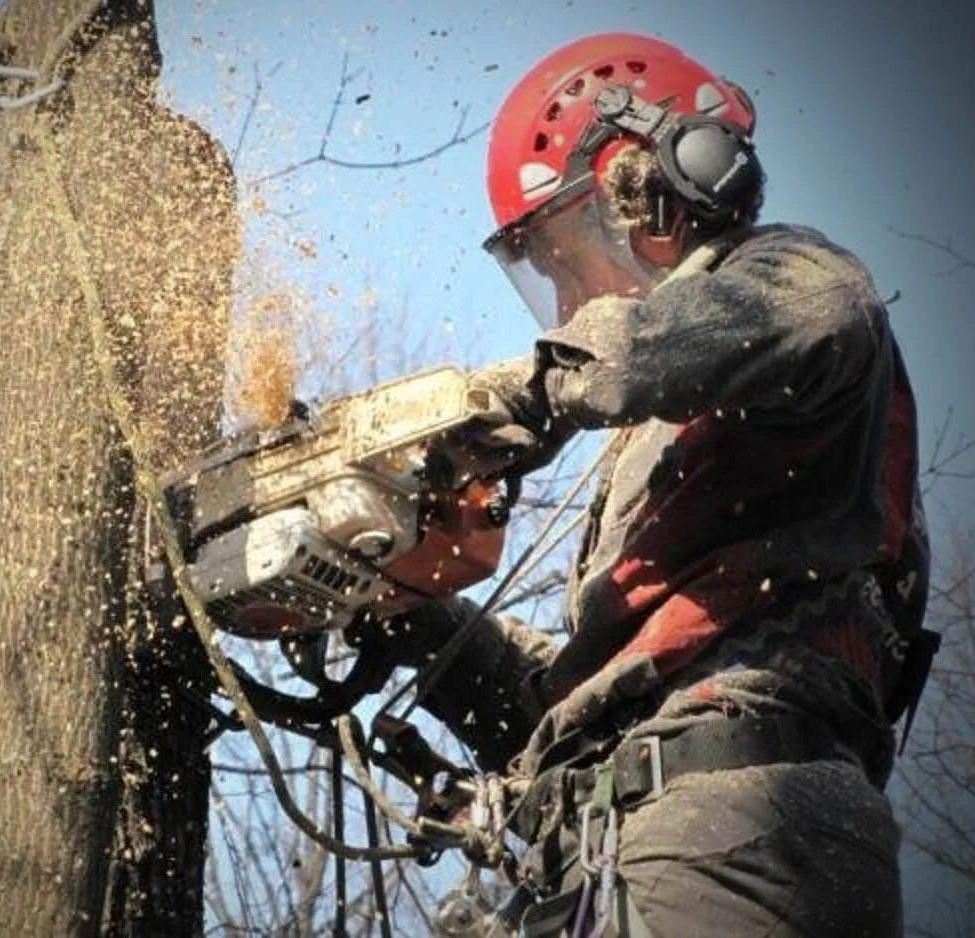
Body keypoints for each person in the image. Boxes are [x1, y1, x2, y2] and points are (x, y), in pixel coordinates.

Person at [360, 33, 935, 937]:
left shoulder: (795, 285)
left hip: (745, 827)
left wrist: (502, 407)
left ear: (647, 187)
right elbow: (582, 703)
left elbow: (796, 320)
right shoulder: (666, 435)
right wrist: (403, 609)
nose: (569, 299)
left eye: (564, 254)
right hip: (624, 838)